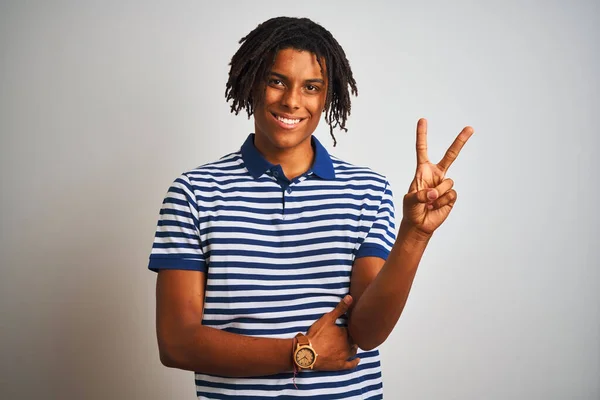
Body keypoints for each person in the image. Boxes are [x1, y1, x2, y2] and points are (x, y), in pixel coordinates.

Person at [148, 16, 474, 399]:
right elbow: (176, 343)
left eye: (311, 87)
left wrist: (415, 235)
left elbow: (367, 333)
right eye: (276, 81)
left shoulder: (367, 191)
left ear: (327, 97)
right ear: (252, 81)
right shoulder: (194, 192)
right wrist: (302, 354)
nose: (292, 101)